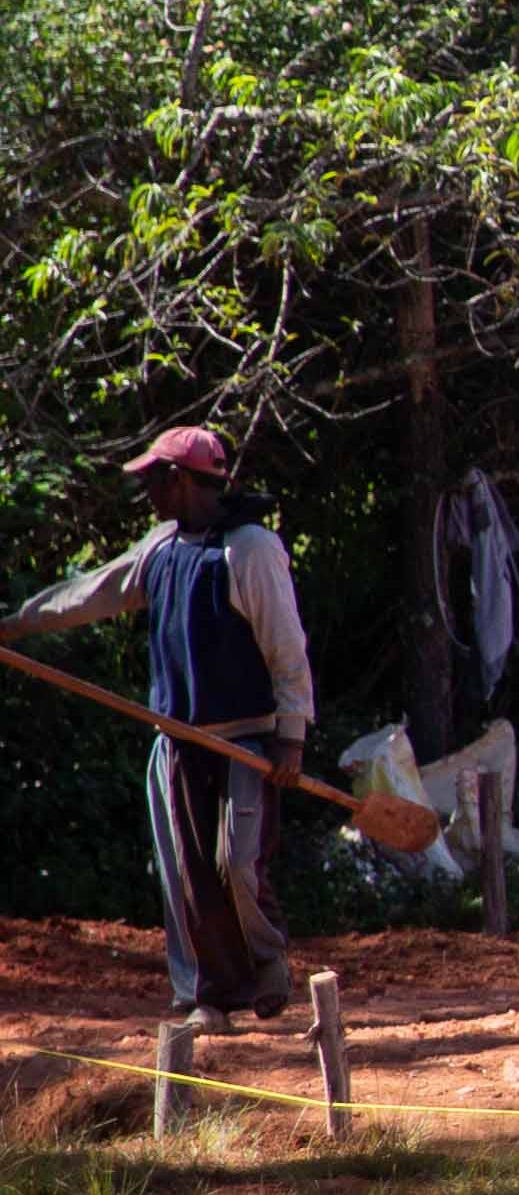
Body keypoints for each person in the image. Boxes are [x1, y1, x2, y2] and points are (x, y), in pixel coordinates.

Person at [3, 424, 315, 1018]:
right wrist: (17, 624)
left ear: (180, 480)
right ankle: (210, 995)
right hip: (177, 743)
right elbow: (90, 592)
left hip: (246, 740)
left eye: (154, 480)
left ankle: (269, 964)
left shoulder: (250, 549)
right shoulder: (159, 549)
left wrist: (291, 735)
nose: (148, 493)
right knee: (189, 879)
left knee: (238, 862)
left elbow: (287, 649)